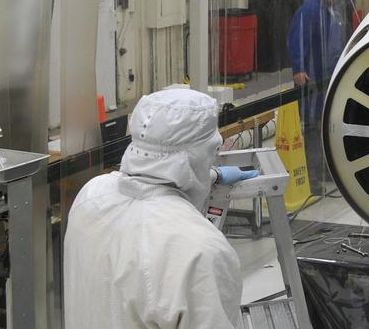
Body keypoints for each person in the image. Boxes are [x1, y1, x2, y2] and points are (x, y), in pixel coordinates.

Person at [63, 88, 259, 328]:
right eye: (213, 153)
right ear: (200, 155)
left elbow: (154, 175)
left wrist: (213, 175)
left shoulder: (91, 196)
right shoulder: (200, 251)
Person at [288, 0, 348, 194]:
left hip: (329, 77)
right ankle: (311, 175)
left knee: (325, 124)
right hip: (312, 78)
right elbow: (297, 39)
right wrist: (299, 68)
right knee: (312, 125)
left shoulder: (333, 10)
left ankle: (324, 168)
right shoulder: (309, 11)